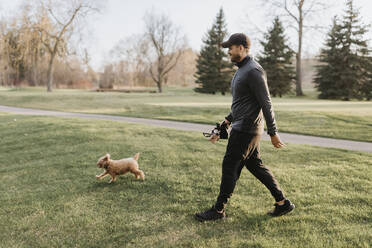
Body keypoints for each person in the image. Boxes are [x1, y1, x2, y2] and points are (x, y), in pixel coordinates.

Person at [195, 33, 295, 222]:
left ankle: (218, 210)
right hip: (243, 126)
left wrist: (273, 132)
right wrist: (227, 121)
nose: (229, 52)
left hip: (247, 129)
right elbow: (242, 103)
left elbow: (266, 103)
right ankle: (283, 203)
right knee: (255, 165)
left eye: (230, 48)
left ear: (241, 47)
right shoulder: (241, 70)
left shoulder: (254, 71)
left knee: (229, 165)